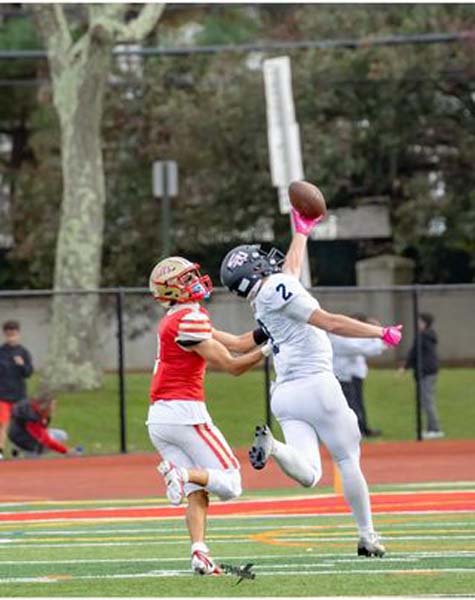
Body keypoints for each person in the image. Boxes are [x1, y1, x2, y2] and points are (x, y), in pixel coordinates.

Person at [220, 207, 402, 558]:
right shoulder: (277, 287)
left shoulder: (262, 298)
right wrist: (380, 332)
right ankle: (367, 535)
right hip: (317, 384)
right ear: (255, 269)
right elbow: (330, 322)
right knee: (348, 458)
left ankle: (275, 447)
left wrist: (301, 232)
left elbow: (289, 273)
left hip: (285, 394)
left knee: (310, 475)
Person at [147, 256, 270, 576]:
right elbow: (232, 365)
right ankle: (180, 473)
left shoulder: (179, 317)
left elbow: (239, 342)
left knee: (197, 492)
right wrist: (272, 350)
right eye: (186, 280)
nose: (195, 282)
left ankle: (199, 553)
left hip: (160, 418)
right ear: (171, 291)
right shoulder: (190, 316)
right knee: (232, 483)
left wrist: (267, 333)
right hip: (184, 413)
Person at [330, 314, 385, 437]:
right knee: (350, 405)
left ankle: (362, 428)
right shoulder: (338, 338)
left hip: (352, 375)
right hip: (341, 376)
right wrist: (379, 336)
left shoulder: (348, 338)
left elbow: (365, 346)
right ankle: (355, 430)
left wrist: (375, 332)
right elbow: (358, 348)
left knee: (357, 403)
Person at [401, 312, 443, 440]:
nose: (418, 324)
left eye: (420, 321)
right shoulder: (429, 335)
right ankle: (432, 428)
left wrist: (405, 367)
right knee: (426, 400)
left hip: (426, 371)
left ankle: (435, 429)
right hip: (430, 370)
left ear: (424, 323)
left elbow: (414, 353)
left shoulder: (423, 336)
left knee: (427, 400)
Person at [0, 320, 34, 459]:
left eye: (13, 335)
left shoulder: (24, 352)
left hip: (19, 395)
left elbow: (28, 373)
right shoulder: (1, 352)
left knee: (20, 425)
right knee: (3, 423)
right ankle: (0, 450)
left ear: (18, 334)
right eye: (8, 335)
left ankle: (17, 449)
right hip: (2, 395)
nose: (11, 338)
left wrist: (22, 365)